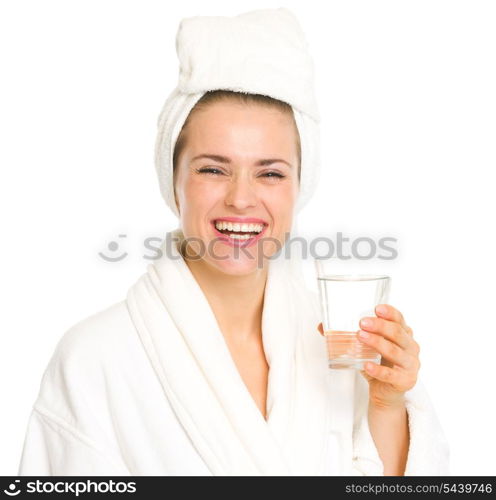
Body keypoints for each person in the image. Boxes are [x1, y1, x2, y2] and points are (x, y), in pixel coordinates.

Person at [18, 8, 449, 476]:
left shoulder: (347, 349)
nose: (241, 198)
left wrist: (386, 402)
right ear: (173, 181)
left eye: (270, 173)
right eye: (212, 169)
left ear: (299, 187)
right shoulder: (95, 356)